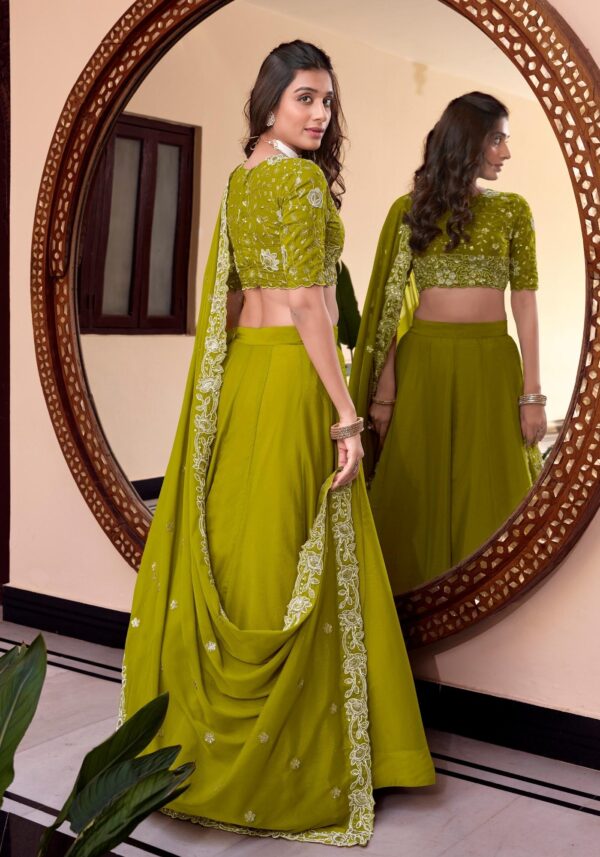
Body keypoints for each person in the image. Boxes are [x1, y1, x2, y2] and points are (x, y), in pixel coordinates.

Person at [118, 40, 434, 847]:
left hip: (244, 379)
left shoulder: (243, 177)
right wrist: (346, 413)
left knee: (247, 543)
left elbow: (235, 300)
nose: (320, 114)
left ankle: (219, 739)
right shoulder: (298, 182)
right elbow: (305, 303)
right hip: (294, 377)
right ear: (268, 103)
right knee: (299, 543)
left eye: (327, 100)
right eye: (304, 98)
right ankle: (291, 751)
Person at [350, 92, 546, 595]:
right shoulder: (409, 211)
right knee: (416, 488)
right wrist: (385, 391)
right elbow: (388, 308)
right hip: (424, 363)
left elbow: (525, 302)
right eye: (497, 139)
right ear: (468, 141)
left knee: (494, 487)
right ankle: (412, 607)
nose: (505, 152)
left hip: (492, 364)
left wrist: (532, 393)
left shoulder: (513, 211)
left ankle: (488, 601)